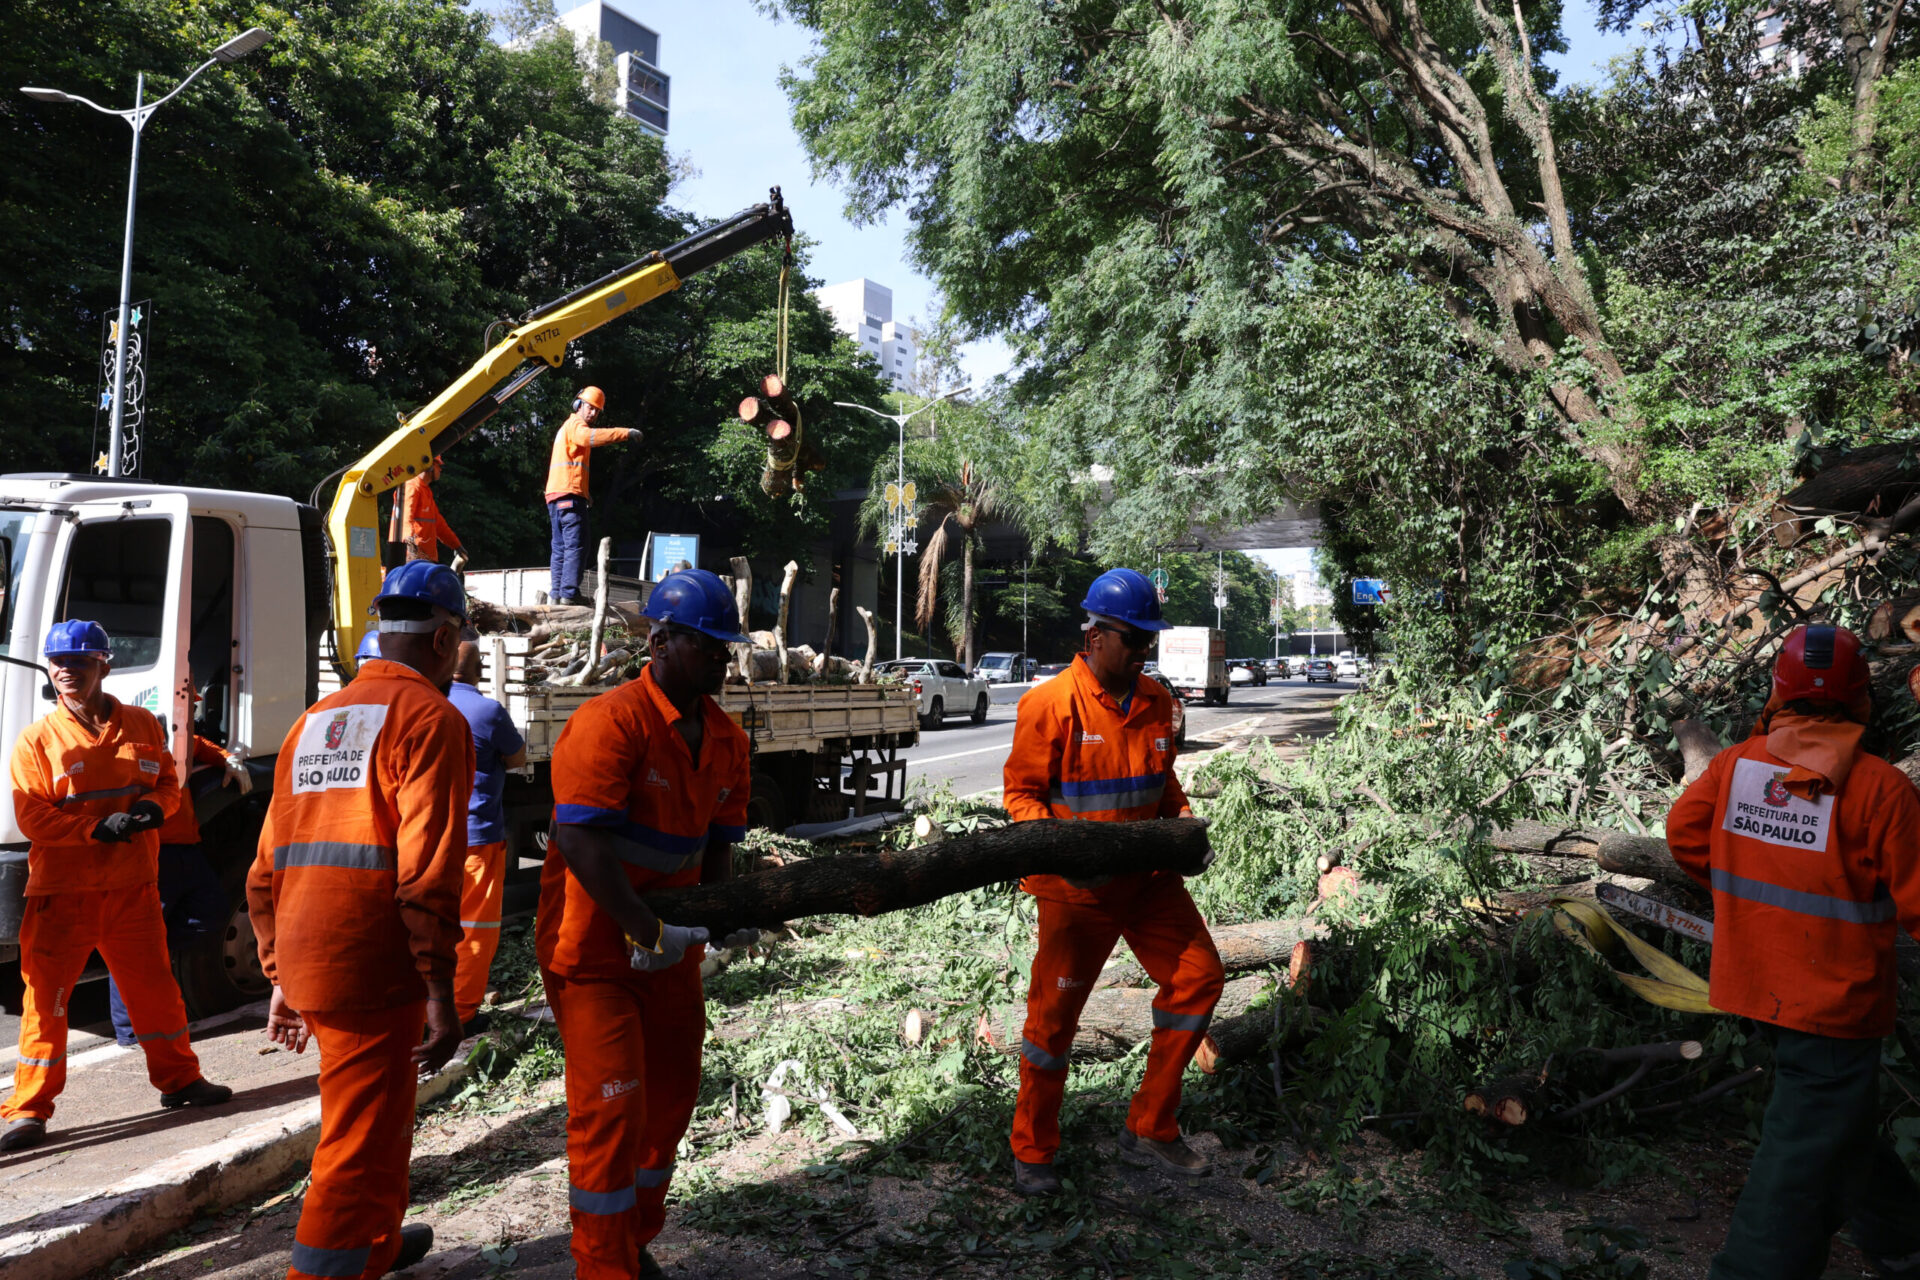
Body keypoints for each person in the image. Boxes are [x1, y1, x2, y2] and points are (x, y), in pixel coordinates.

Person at [1667, 624, 1920, 1278]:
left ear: (1777, 692)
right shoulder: (1882, 790)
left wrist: (1751, 894)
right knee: (1801, 1153)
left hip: (1757, 985)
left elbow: (1684, 835)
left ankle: (1902, 1240)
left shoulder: (1734, 766)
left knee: (1838, 1121)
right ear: (1861, 696)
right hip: (1836, 1003)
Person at [247, 562, 475, 1279]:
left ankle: (374, 1246)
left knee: (381, 1117)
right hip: (374, 965)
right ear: (444, 640)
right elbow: (427, 872)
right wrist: (440, 990)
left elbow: (267, 866)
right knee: (357, 1139)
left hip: (316, 955)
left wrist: (281, 972)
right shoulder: (431, 720)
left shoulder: (314, 721)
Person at [538, 569, 759, 1279]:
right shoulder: (612, 722)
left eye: (726, 649)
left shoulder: (726, 739)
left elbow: (719, 846)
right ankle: (603, 1267)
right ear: (660, 643)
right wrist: (644, 930)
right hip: (596, 950)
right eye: (706, 646)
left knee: (670, 1100)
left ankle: (632, 1241)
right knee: (611, 1112)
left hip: (669, 954)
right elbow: (581, 841)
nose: (720, 660)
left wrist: (725, 916)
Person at [1000, 568, 1222, 1197]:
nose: (1143, 650)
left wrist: (1184, 827)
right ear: (1095, 635)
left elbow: (1163, 782)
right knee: (1053, 1025)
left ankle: (1151, 1125)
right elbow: (1021, 798)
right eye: (1134, 638)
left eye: (1149, 639)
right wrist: (1064, 853)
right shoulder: (1050, 704)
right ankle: (1033, 1150)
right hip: (1077, 892)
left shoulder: (1156, 701)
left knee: (1200, 977)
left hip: (1147, 880)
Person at [0, 621, 233, 1153]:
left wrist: (153, 808)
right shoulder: (38, 741)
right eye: (58, 662)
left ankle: (180, 1080)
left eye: (79, 661)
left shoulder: (142, 724)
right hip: (63, 895)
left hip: (133, 888)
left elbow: (168, 782)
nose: (66, 670)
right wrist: (93, 829)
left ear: (103, 665)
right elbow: (31, 817)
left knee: (155, 992)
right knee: (48, 1003)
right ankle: (28, 1110)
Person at [106, 729, 250, 1048]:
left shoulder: (171, 735)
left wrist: (227, 759)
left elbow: (199, 743)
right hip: (150, 851)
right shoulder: (125, 741)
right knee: (135, 945)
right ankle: (131, 1032)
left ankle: (151, 976)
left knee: (210, 913)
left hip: (184, 847)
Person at [447, 641, 527, 1032]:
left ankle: (424, 1012)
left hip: (427, 839)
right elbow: (518, 758)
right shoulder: (487, 711)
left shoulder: (424, 703)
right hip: (477, 839)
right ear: (478, 670)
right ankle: (461, 1014)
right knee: (475, 931)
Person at [545, 386, 636, 605]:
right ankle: (568, 594)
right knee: (576, 545)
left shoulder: (565, 428)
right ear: (578, 404)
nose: (593, 413)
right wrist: (626, 433)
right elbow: (588, 438)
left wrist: (585, 494)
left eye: (597, 410)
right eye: (590, 407)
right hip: (569, 495)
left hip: (556, 496)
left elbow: (571, 467)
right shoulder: (577, 425)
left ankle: (556, 594)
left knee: (560, 548)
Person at [396, 456, 466, 568]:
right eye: (438, 465)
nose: (440, 469)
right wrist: (410, 546)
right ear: (429, 466)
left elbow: (440, 525)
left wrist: (456, 545)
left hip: (425, 560)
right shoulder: (412, 487)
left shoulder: (425, 491)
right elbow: (405, 518)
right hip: (414, 560)